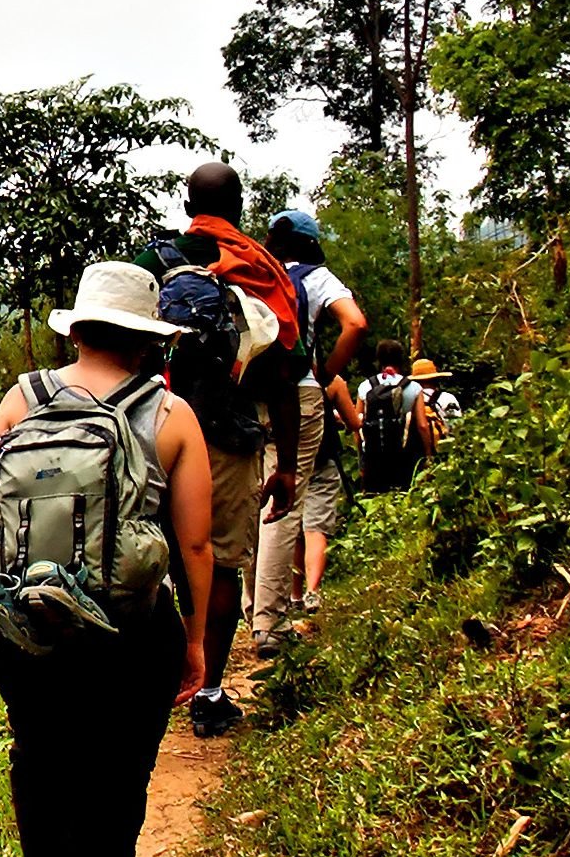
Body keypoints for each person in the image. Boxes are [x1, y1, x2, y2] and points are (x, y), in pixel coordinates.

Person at [0, 259, 214, 857]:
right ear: (146, 337)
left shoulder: (21, 399)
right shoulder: (172, 415)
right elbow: (193, 543)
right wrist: (195, 643)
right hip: (130, 634)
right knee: (113, 795)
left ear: (79, 327)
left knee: (38, 762)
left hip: (29, 624)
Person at [148, 161, 300, 736]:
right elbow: (285, 377)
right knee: (222, 562)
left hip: (155, 432)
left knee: (155, 559)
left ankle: (156, 681)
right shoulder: (262, 273)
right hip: (228, 439)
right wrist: (285, 466)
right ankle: (208, 693)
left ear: (188, 206)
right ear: (240, 206)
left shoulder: (157, 261)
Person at [251, 209, 366, 655]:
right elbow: (354, 323)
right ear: (311, 242)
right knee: (286, 503)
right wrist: (327, 373)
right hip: (298, 393)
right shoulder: (317, 279)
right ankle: (270, 622)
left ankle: (248, 605)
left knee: (253, 495)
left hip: (250, 395)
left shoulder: (257, 276)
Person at [357, 342, 428, 496]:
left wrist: (361, 458)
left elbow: (358, 424)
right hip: (404, 456)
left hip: (373, 457)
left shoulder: (365, 387)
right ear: (401, 359)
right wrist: (428, 455)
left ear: (379, 359)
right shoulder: (414, 387)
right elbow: (422, 425)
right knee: (403, 496)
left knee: (373, 498)